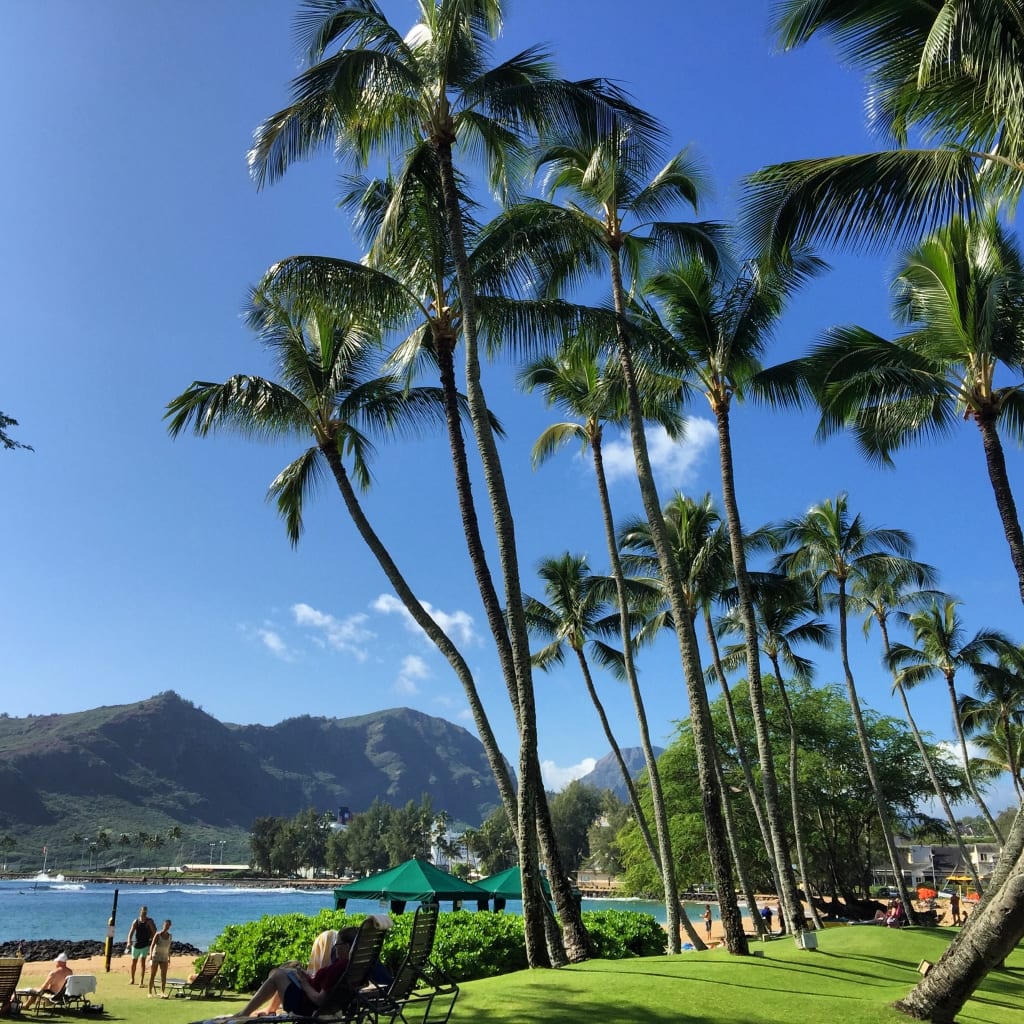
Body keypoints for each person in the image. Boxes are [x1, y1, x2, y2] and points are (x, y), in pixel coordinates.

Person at [229, 929, 357, 1020]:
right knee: (288, 968)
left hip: (306, 1006)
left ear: (346, 946)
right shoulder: (352, 966)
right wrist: (306, 977)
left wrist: (304, 983)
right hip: (323, 1002)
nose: (335, 948)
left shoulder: (339, 967)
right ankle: (268, 1009)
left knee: (277, 975)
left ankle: (245, 1013)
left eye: (337, 944)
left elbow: (320, 1000)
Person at [126, 905, 157, 986]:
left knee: (142, 963)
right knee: (133, 962)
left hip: (145, 945)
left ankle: (141, 981)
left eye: (145, 911)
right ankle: (132, 979)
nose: (144, 913)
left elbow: (155, 933)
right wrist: (129, 941)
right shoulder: (136, 921)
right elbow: (131, 932)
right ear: (140, 911)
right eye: (143, 911)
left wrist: (155, 943)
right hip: (136, 945)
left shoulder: (149, 921)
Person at [148, 919, 173, 997]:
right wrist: (150, 955)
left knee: (164, 976)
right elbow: (152, 945)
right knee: (153, 974)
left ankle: (162, 992)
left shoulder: (170, 936)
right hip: (156, 956)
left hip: (164, 957)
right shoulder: (158, 934)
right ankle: (149, 992)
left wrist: (169, 958)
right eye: (166, 925)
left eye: (168, 925)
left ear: (170, 926)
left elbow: (169, 947)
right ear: (163, 925)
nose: (167, 927)